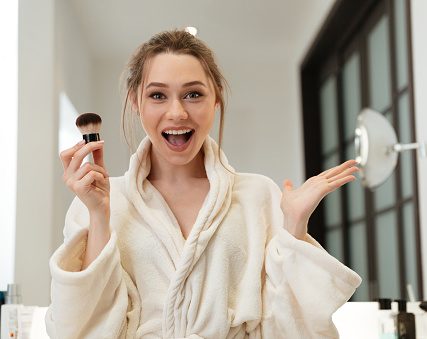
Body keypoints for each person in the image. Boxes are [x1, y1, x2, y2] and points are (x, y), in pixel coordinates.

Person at [45, 29, 361, 339]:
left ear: (216, 101)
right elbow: (79, 329)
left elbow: (288, 329)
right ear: (136, 102)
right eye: (157, 95)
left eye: (193, 94)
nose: (177, 112)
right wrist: (100, 215)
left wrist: (294, 227)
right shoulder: (103, 200)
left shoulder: (258, 197)